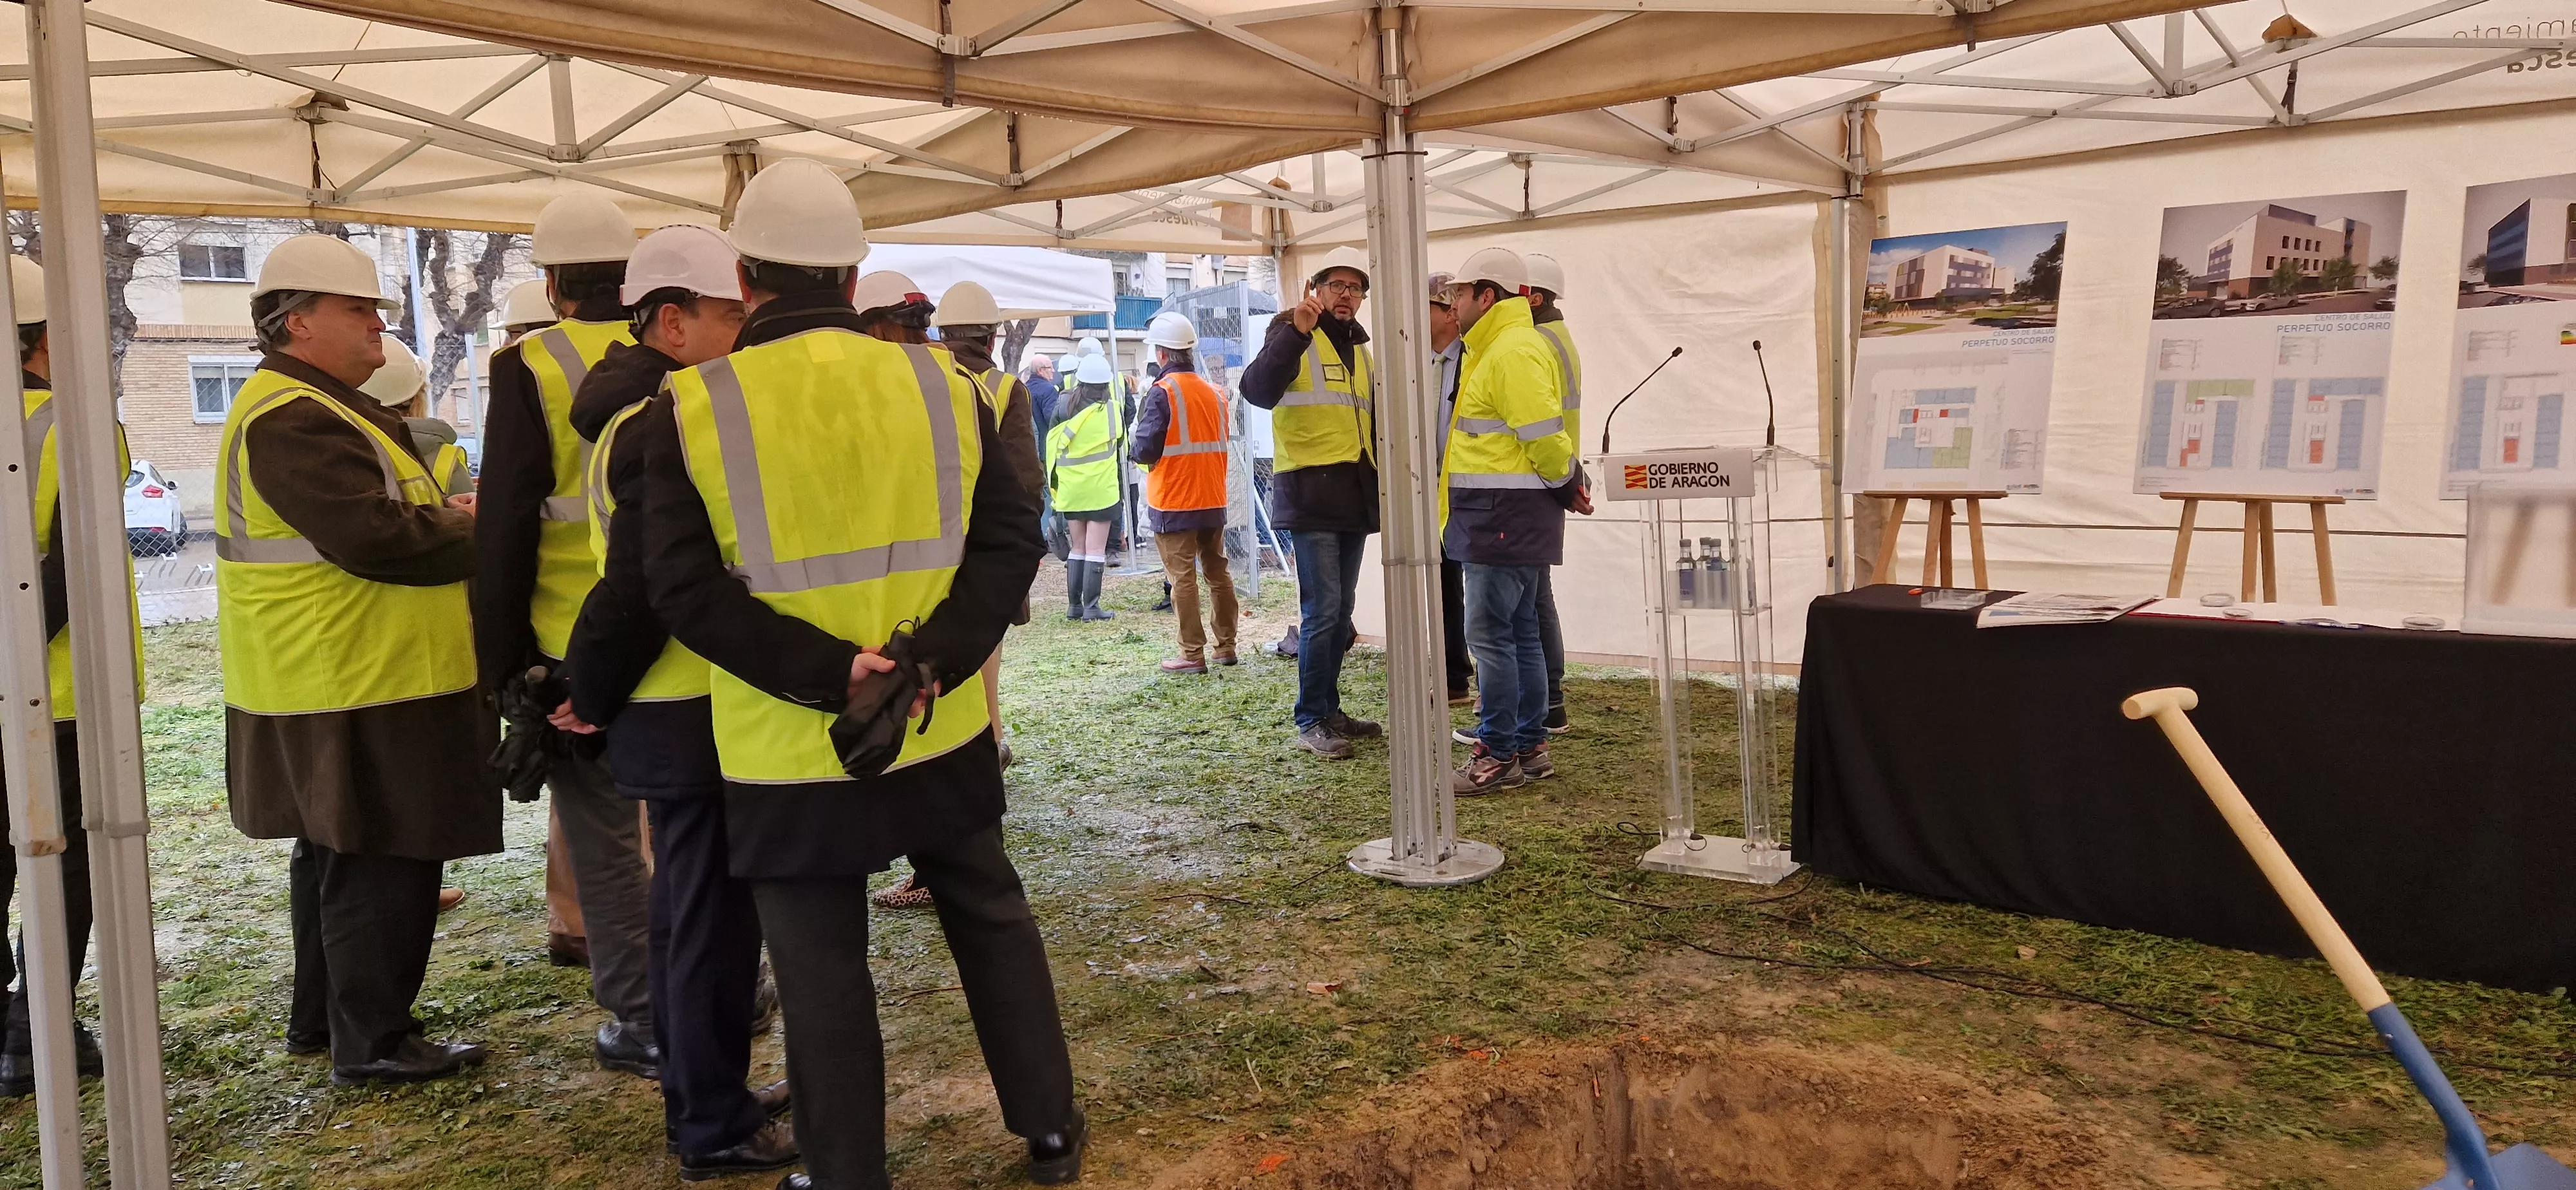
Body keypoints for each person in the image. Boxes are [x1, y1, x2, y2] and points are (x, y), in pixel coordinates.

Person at [634, 156, 1081, 1190]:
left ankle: (845, 1172)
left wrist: (834, 671)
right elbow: (1013, 543)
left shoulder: (690, 407)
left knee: (822, 964)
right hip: (939, 719)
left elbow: (683, 592)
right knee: (989, 912)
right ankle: (1050, 1129)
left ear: (744, 278)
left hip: (786, 745)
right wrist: (927, 663)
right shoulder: (951, 386)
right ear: (855, 271)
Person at [216, 234, 493, 1084]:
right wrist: (478, 524)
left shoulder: (311, 405)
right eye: (358, 308)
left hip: (341, 674)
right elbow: (376, 538)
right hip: (358, 677)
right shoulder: (296, 416)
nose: (379, 323)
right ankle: (374, 1041)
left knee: (341, 857)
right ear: (296, 322)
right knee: (384, 860)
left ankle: (329, 1025)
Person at [555, 223, 796, 1181]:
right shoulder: (662, 419)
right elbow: (642, 588)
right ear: (670, 322)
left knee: (688, 915)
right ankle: (712, 1127)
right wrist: (591, 689)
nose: (746, 330)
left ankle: (710, 1095)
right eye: (731, 314)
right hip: (685, 704)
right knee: (707, 922)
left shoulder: (647, 409)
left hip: (674, 703)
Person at [475, 193, 659, 1080]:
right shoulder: (680, 351)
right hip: (679, 635)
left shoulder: (529, 365)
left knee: (607, 841)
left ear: (552, 284)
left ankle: (641, 1014)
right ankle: (728, 990)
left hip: (573, 644)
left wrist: (504, 664)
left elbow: (505, 525)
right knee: (699, 830)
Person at [0, 255, 122, 1097]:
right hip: (60, 694)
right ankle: (36, 1027)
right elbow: (74, 567)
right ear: (45, 342)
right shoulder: (70, 426)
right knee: (64, 864)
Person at [1439, 247, 1578, 795]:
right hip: (1506, 516)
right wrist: (1567, 485)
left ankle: (1497, 755)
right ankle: (1527, 744)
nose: (1453, 304)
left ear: (1487, 295)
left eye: (1461, 293)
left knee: (1493, 639)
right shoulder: (1501, 345)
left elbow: (1543, 436)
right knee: (1518, 636)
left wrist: (1567, 482)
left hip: (1501, 518)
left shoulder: (1510, 351)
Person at [1240, 245, 1380, 760]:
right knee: (1322, 612)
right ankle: (1311, 718)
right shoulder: (1290, 333)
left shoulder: (1361, 351)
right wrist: (1297, 332)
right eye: (1337, 286)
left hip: (1353, 495)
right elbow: (1256, 390)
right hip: (1311, 492)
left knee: (1340, 611)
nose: (1347, 295)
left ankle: (1329, 709)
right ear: (1315, 291)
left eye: (1356, 288)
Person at [931, 280, 1044, 744]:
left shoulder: (923, 379)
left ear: (941, 334)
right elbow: (1024, 477)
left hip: (927, 538)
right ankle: (989, 740)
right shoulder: (1005, 388)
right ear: (992, 338)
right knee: (984, 646)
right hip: (985, 541)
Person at [1128, 312, 1236, 674]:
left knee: (1183, 578)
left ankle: (1192, 654)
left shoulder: (1163, 393)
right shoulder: (1216, 393)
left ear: (1161, 354)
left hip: (1175, 500)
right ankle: (1227, 647)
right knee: (1218, 573)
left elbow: (1144, 450)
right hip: (1213, 497)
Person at [1522, 253, 1585, 737]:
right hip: (1551, 476)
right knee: (1539, 595)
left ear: (1534, 298)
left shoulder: (1537, 342)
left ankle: (1549, 702)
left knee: (1535, 600)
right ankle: (1552, 702)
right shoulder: (1556, 337)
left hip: (1538, 477)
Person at [1425, 272, 1474, 707]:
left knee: (1474, 582)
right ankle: (1453, 674)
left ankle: (1470, 673)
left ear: (1447, 314)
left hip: (1468, 489)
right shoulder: (1414, 362)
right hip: (1428, 492)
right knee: (1441, 583)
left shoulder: (1473, 358)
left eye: (1428, 307)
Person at [1047, 355, 1121, 622]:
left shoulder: (1064, 406)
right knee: (1096, 549)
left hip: (1071, 489)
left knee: (1078, 547)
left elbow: (1052, 443)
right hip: (1101, 490)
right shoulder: (1113, 410)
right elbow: (1120, 443)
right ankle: (1092, 607)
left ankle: (1074, 607)